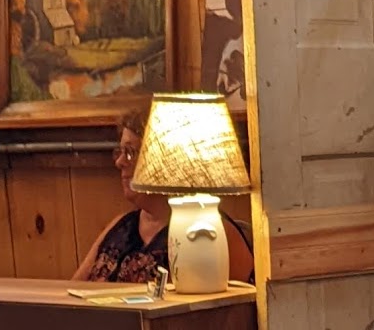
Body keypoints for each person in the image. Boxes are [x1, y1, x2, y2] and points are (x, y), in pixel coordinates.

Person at [72, 106, 254, 285]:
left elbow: (237, 302)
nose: (119, 162)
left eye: (131, 153)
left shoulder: (209, 230)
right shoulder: (120, 225)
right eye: (120, 152)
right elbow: (72, 289)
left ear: (165, 162)